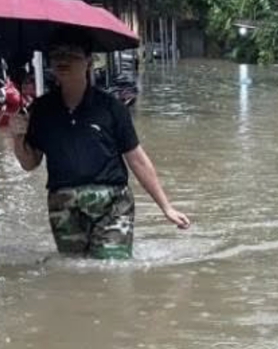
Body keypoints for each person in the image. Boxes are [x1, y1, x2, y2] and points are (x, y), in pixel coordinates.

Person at [10, 29, 189, 259]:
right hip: (63, 206)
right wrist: (17, 137)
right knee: (74, 273)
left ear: (89, 61)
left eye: (72, 54)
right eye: (56, 55)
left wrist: (166, 207)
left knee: (112, 268)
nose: (63, 60)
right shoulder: (41, 110)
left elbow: (137, 159)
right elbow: (30, 163)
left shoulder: (111, 107)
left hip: (113, 203)